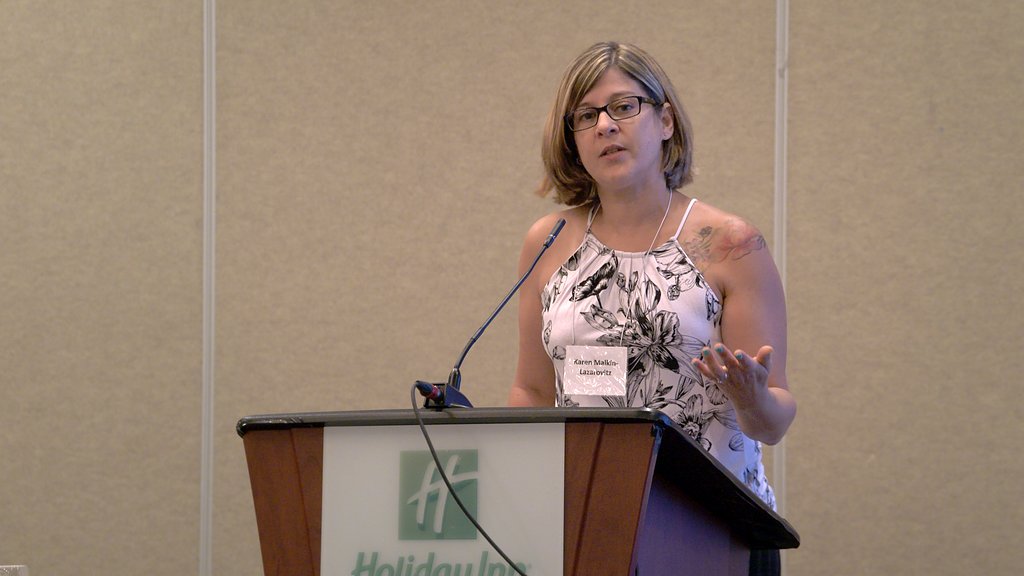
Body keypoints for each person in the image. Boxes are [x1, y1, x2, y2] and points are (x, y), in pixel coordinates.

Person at [507, 41, 796, 575]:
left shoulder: (730, 244)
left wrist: (751, 398)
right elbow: (532, 392)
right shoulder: (547, 242)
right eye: (586, 116)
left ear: (665, 121)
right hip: (588, 529)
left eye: (623, 106)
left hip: (714, 536)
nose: (605, 126)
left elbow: (773, 421)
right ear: (573, 140)